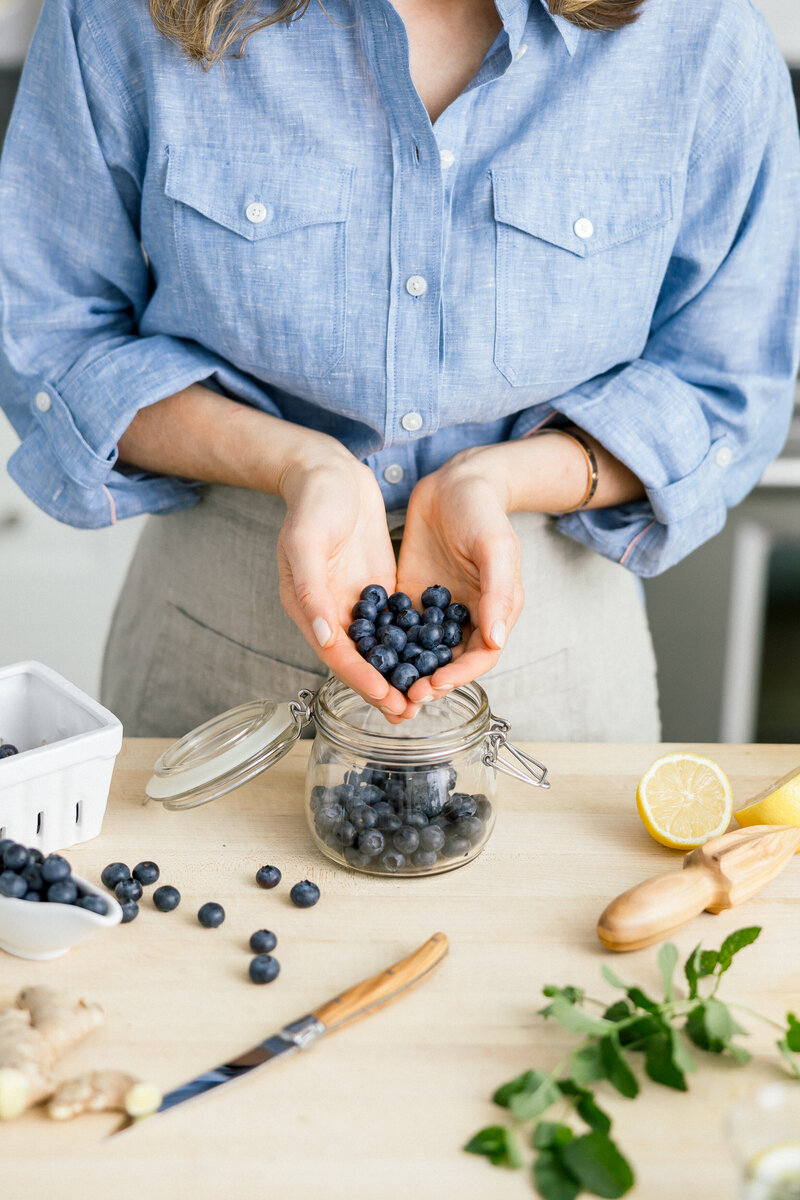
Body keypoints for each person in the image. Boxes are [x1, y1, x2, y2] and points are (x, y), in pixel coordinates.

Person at [0, 0, 798, 741]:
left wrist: (502, 481)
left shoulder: (701, 34)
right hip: (216, 660)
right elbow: (52, 341)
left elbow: (723, 384)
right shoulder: (121, 16)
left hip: (552, 669)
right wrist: (296, 463)